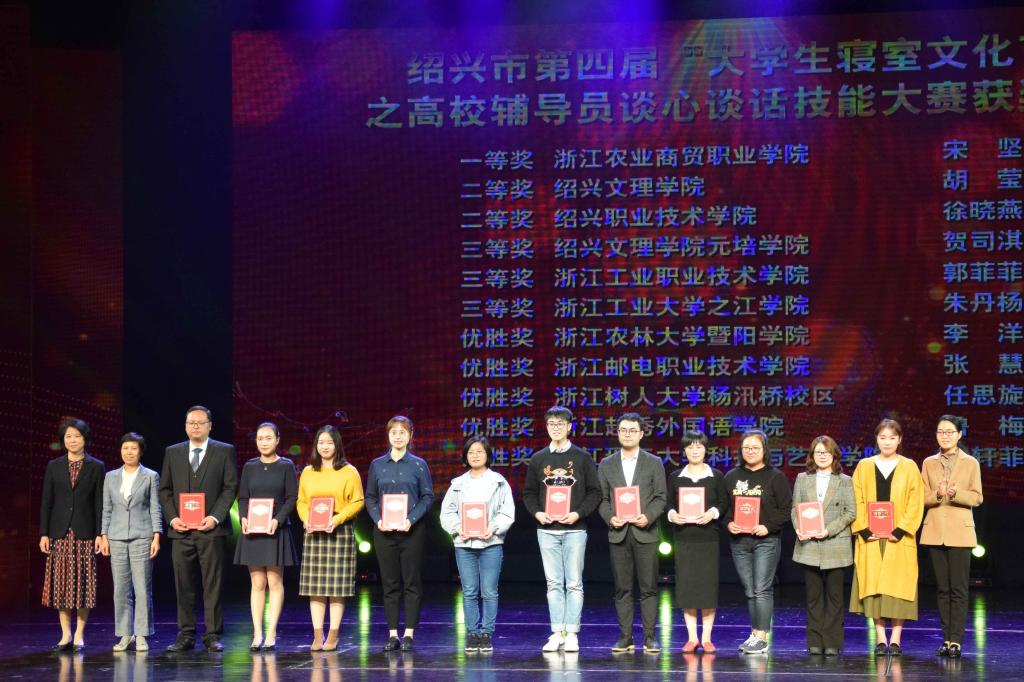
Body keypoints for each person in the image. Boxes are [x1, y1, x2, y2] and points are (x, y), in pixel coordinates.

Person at [521, 405, 602, 653]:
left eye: (560, 424)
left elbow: (595, 492)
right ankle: (557, 632)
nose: (555, 428)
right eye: (551, 424)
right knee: (554, 583)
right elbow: (529, 493)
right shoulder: (538, 458)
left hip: (575, 530)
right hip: (547, 530)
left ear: (569, 427)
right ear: (546, 427)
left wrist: (578, 513)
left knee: (574, 583)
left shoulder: (582, 457)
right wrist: (538, 513)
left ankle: (572, 633)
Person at [158, 405, 239, 652]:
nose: (195, 426)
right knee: (183, 584)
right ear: (185, 426)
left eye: (200, 422)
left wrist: (215, 517)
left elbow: (230, 487)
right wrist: (173, 519)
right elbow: (165, 490)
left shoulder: (224, 451)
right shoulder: (173, 452)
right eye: (191, 422)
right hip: (181, 530)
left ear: (209, 426)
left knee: (212, 583)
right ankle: (186, 634)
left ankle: (212, 634)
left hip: (212, 530)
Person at [849, 418, 924, 656]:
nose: (887, 442)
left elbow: (915, 502)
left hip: (898, 538)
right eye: (883, 437)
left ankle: (896, 639)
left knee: (898, 587)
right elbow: (856, 499)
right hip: (871, 537)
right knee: (874, 588)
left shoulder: (909, 466)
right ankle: (881, 638)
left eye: (892, 437)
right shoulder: (864, 466)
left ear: (899, 440)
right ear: (876, 439)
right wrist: (864, 529)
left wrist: (900, 530)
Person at [596, 413, 667, 654]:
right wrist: (610, 517)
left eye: (632, 430)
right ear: (617, 433)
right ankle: (625, 637)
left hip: (645, 532)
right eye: (623, 430)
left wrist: (648, 517)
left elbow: (660, 497)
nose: (627, 434)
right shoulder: (606, 464)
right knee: (622, 589)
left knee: (649, 588)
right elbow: (602, 499)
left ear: (641, 434)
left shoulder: (654, 462)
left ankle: (650, 637)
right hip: (619, 533)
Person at [439, 437, 516, 653]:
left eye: (479, 451)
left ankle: (486, 633)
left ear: (487, 455)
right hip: (464, 544)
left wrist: (494, 527)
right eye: (471, 452)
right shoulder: (457, 484)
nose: (475, 455)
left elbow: (507, 511)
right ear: (465, 456)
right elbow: (447, 512)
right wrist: (457, 528)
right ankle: (473, 633)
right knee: (469, 591)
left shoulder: (499, 482)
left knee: (489, 591)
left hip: (491, 543)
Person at [364, 416, 434, 652]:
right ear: (388, 435)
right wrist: (378, 519)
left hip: (411, 532)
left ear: (410, 435)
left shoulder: (418, 464)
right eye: (393, 432)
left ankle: (409, 634)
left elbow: (427, 497)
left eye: (402, 432)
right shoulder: (377, 465)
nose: (397, 436)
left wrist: (410, 520)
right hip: (383, 532)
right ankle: (393, 634)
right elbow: (370, 497)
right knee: (390, 583)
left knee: (411, 582)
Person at [723, 429, 792, 654]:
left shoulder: (776, 476)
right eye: (746, 448)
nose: (750, 451)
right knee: (750, 590)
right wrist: (728, 523)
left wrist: (767, 527)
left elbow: (786, 509)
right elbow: (724, 508)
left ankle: (762, 637)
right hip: (739, 542)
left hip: (766, 540)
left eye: (755, 447)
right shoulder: (731, 476)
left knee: (762, 588)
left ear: (764, 450)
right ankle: (755, 634)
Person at [39, 418, 105, 652]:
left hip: (85, 533)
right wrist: (44, 533)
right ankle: (65, 634)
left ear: (85, 439)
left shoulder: (96, 466)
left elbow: (99, 503)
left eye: (77, 436)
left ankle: (79, 634)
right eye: (68, 436)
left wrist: (100, 534)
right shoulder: (54, 465)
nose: (72, 440)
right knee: (61, 586)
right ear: (63, 440)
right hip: (59, 533)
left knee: (83, 586)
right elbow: (47, 501)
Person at [296, 425, 364, 651]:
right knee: (315, 586)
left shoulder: (349, 471)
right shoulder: (308, 472)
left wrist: (338, 519)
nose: (325, 447)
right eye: (321, 442)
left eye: (329, 442)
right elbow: (301, 501)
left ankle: (333, 635)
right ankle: (318, 635)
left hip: (338, 529)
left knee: (337, 587)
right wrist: (306, 519)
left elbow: (358, 501)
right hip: (313, 531)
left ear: (337, 445)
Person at [920, 415, 983, 659]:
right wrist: (937, 494)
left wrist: (956, 493)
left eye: (949, 432)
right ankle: (945, 639)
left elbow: (977, 497)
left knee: (958, 590)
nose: (944, 436)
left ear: (959, 435)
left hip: (960, 532)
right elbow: (922, 498)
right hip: (935, 530)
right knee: (943, 589)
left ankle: (956, 640)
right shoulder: (928, 463)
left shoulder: (970, 463)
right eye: (940, 432)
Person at [234, 422, 298, 651]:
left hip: (275, 530)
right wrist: (243, 517)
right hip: (254, 531)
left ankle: (271, 633)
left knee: (274, 582)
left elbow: (292, 498)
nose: (264, 442)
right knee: (257, 583)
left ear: (277, 439)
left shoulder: (286, 466)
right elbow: (243, 497)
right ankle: (257, 633)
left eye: (268, 438)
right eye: (260, 438)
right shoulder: (250, 466)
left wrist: (277, 520)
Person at [790, 436, 855, 656]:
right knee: (813, 597)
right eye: (818, 452)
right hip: (809, 544)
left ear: (834, 455)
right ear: (812, 455)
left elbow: (851, 512)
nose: (822, 456)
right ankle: (815, 641)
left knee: (835, 597)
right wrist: (799, 528)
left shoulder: (844, 480)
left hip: (835, 543)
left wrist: (828, 530)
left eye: (826, 452)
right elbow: (795, 509)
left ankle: (832, 641)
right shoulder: (802, 478)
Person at [666, 430, 727, 653]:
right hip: (684, 538)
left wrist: (712, 513)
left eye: (699, 446)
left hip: (708, 538)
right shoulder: (675, 476)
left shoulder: (716, 476)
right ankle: (692, 638)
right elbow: (668, 503)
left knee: (707, 589)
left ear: (705, 449)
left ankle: (707, 638)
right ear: (684, 451)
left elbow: (724, 503)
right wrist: (673, 515)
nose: (694, 450)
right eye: (690, 447)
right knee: (687, 588)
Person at [101, 432, 162, 652]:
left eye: (133, 448)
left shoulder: (150, 476)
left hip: (142, 536)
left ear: (140, 452)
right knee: (120, 589)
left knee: (142, 588)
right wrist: (104, 536)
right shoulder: (110, 477)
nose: (129, 452)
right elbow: (107, 508)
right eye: (125, 448)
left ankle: (142, 634)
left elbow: (155, 507)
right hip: (116, 537)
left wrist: (156, 535)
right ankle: (125, 634)